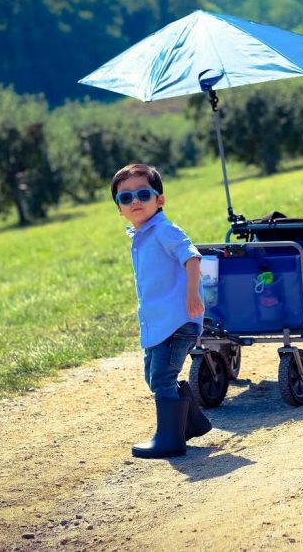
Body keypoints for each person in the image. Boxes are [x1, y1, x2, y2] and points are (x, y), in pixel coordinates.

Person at [112, 163, 212, 459]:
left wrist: (193, 295)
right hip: (160, 322)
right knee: (153, 375)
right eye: (125, 198)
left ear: (160, 199)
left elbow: (192, 258)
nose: (135, 201)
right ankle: (191, 423)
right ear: (119, 208)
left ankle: (170, 439)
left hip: (178, 319)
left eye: (143, 194)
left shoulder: (164, 230)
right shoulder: (143, 235)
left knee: (162, 378)